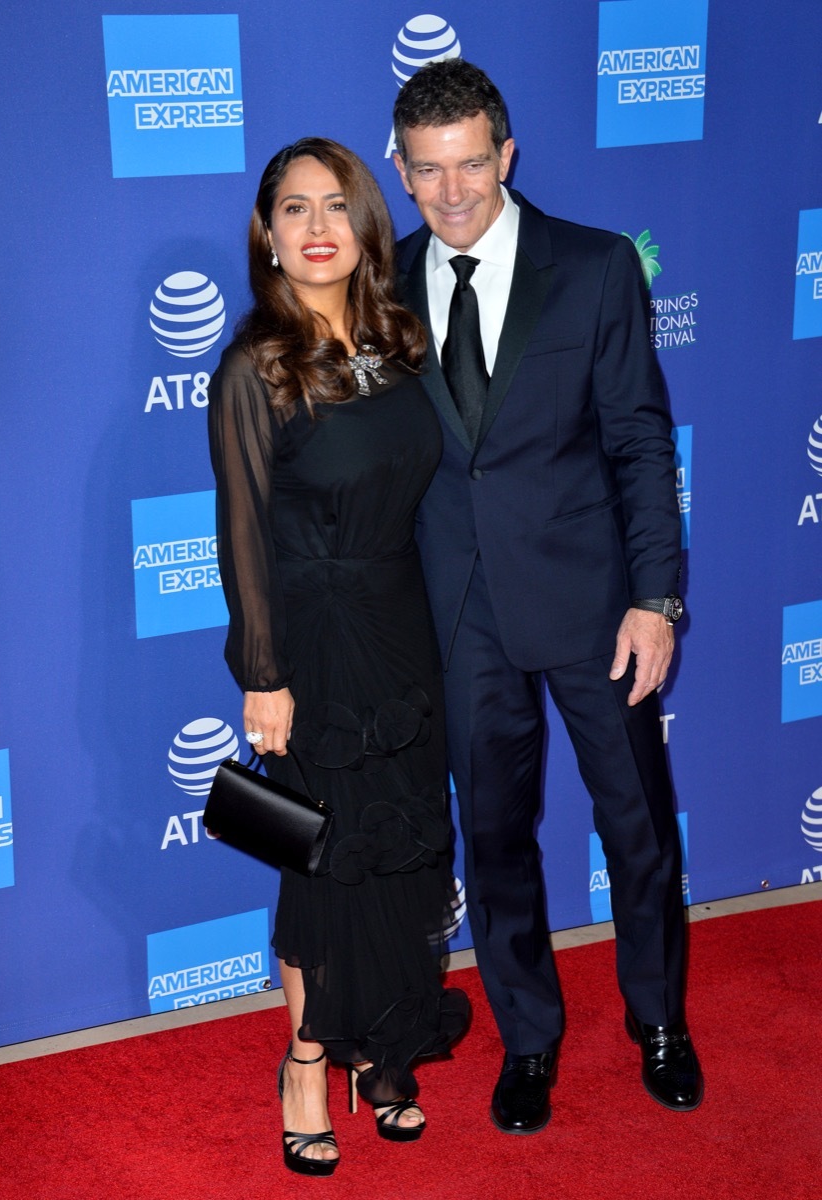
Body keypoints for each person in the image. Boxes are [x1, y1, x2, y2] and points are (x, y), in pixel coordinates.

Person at [391, 60, 702, 1134]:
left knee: (639, 827)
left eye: (472, 162)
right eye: (428, 171)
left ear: (506, 155)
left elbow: (638, 440)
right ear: (401, 170)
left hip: (592, 607)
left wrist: (656, 597)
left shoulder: (598, 267)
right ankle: (528, 1039)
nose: (454, 190)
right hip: (459, 618)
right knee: (496, 838)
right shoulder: (380, 287)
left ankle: (659, 1020)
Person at [207, 137, 469, 1177]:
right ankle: (308, 1064)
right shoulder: (254, 366)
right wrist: (260, 674)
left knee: (408, 854)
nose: (317, 228)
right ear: (268, 235)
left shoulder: (402, 346)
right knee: (324, 860)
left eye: (335, 208)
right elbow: (241, 534)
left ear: (366, 227)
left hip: (406, 630)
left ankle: (389, 1049)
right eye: (293, 210)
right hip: (313, 647)